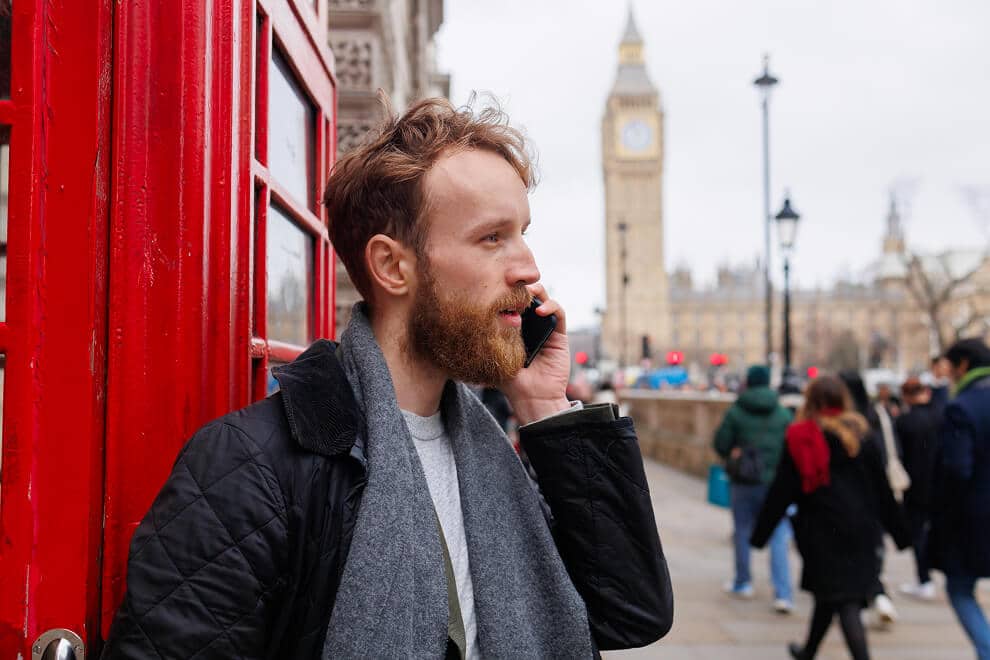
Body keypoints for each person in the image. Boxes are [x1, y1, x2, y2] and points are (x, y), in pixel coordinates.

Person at [101, 98, 673, 659]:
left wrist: (546, 406)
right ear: (392, 266)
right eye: (492, 238)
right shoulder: (250, 469)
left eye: (522, 232)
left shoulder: (496, 453)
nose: (528, 267)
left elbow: (629, 614)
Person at [752, 375, 910, 660]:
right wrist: (899, 532)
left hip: (821, 532)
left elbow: (782, 491)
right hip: (861, 528)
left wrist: (760, 534)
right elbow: (881, 489)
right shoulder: (861, 432)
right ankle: (808, 651)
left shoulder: (802, 436)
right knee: (832, 595)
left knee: (844, 600)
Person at [713, 365, 795, 613]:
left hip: (744, 480)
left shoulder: (737, 411)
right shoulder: (782, 413)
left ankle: (743, 582)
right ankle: (783, 593)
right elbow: (790, 447)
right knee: (779, 534)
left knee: (742, 530)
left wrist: (735, 452)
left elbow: (721, 444)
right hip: (774, 483)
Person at [930, 338, 990, 660]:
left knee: (960, 588)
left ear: (963, 365)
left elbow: (957, 469)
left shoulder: (961, 407)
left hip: (973, 518)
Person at [838, 369, 900, 627]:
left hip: (846, 498)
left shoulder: (841, 421)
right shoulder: (876, 415)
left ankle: (865, 598)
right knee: (873, 548)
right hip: (873, 495)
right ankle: (877, 594)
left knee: (848, 554)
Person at [894, 377, 942, 600]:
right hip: (940, 484)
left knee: (918, 533)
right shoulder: (941, 416)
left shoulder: (905, 421)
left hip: (914, 486)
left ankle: (924, 578)